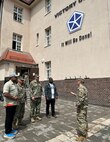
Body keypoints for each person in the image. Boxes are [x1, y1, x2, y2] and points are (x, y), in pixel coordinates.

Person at [3, 72, 19, 139]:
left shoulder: (14, 84)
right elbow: (5, 94)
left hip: (14, 104)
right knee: (9, 119)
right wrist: (14, 97)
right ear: (11, 77)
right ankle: (7, 133)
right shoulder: (7, 84)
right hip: (9, 104)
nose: (16, 78)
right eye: (15, 77)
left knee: (11, 118)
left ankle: (10, 130)